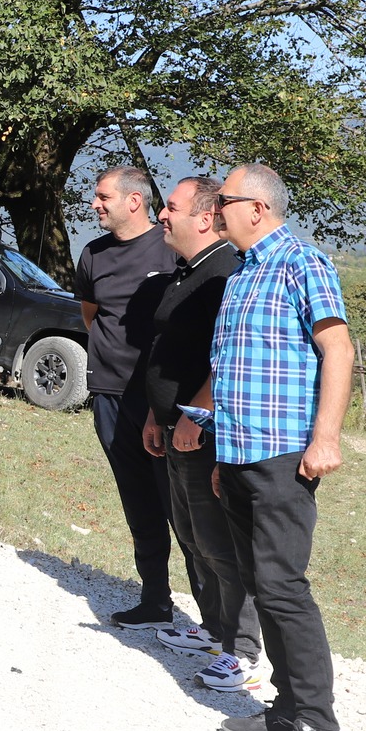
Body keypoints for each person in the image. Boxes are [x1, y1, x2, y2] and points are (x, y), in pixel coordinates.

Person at [192, 162, 353, 731]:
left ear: (256, 208)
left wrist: (326, 437)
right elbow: (235, 367)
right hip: (239, 455)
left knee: (283, 588)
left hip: (285, 455)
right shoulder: (241, 273)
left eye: (224, 201)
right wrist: (222, 456)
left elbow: (338, 348)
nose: (215, 210)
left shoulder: (300, 262)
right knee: (261, 585)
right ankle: (285, 711)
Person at [136, 176, 264, 692]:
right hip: (173, 427)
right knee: (192, 538)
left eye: (171, 207)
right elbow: (171, 353)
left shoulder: (223, 274)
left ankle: (242, 650)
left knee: (219, 545)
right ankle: (214, 629)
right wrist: (157, 414)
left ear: (205, 218)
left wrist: (196, 413)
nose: (161, 215)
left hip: (203, 432)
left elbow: (224, 357)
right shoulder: (190, 271)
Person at [74, 164, 186, 629]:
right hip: (110, 395)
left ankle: (220, 623)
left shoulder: (170, 248)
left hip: (162, 399)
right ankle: (156, 600)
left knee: (181, 506)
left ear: (134, 200)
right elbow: (91, 315)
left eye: (104, 197)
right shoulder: (93, 254)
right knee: (138, 501)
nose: (95, 204)